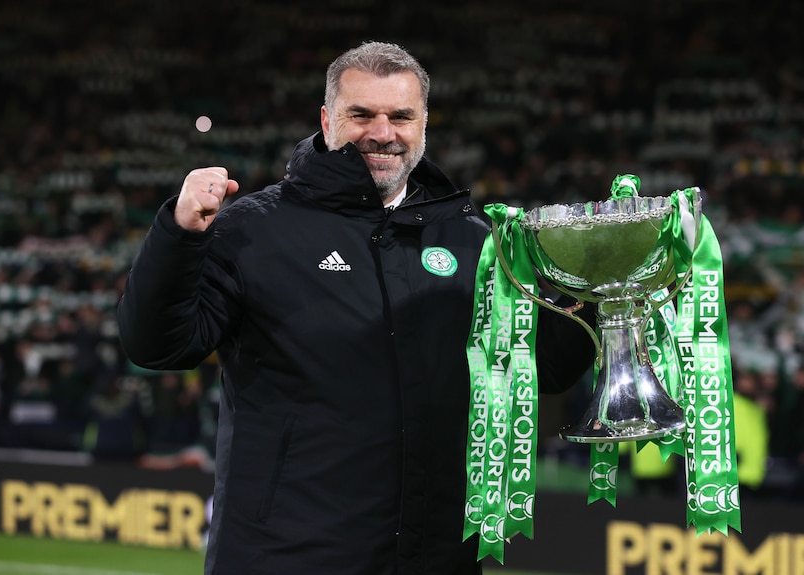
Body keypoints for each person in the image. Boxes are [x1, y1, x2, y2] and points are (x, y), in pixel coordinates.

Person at [117, 41, 596, 575]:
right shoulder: (253, 230)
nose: (382, 133)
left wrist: (602, 291)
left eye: (401, 116)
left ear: (423, 123)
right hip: (285, 556)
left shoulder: (474, 238)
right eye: (361, 114)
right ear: (327, 120)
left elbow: (544, 367)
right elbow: (157, 344)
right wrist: (178, 236)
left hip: (435, 556)